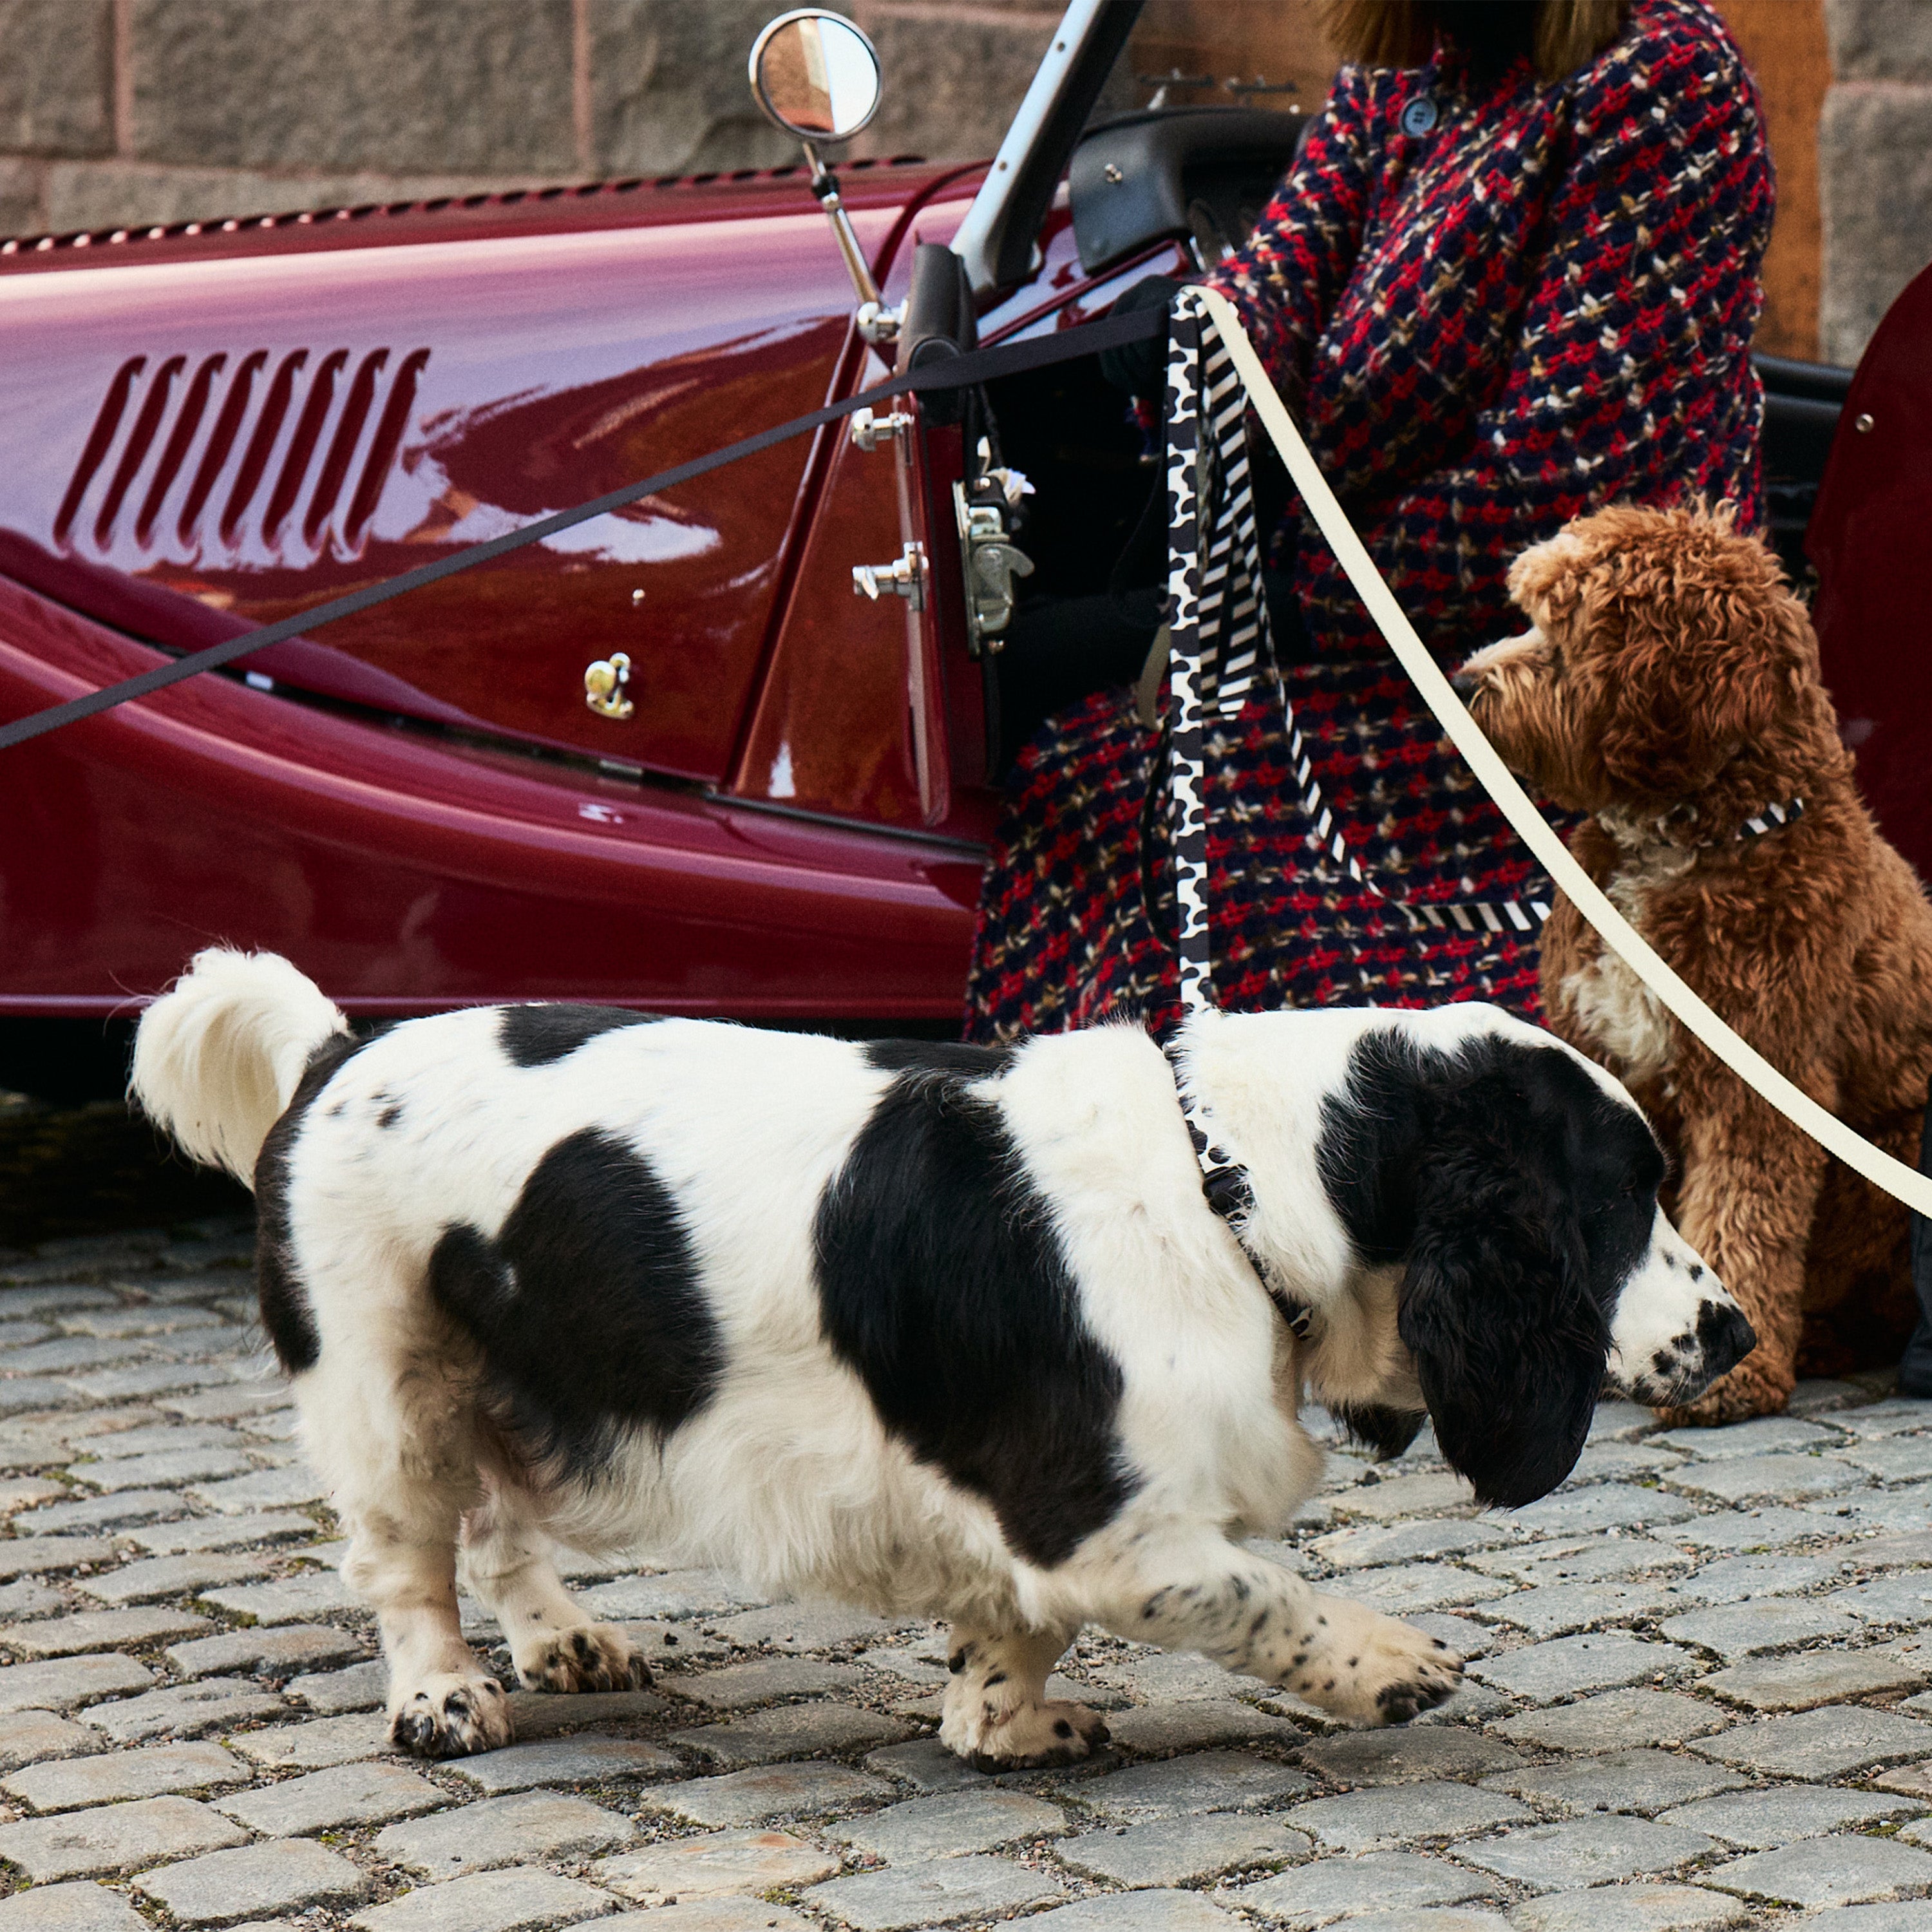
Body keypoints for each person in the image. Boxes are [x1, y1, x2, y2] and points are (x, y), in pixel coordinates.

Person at [964, 0, 1772, 1043]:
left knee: (1155, 817)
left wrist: (1287, 602)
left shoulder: (1666, 80)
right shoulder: (1416, 61)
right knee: (1068, 737)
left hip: (1557, 702)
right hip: (1368, 632)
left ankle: (1233, 1172)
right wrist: (1204, 330)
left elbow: (1559, 488)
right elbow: (1297, 250)